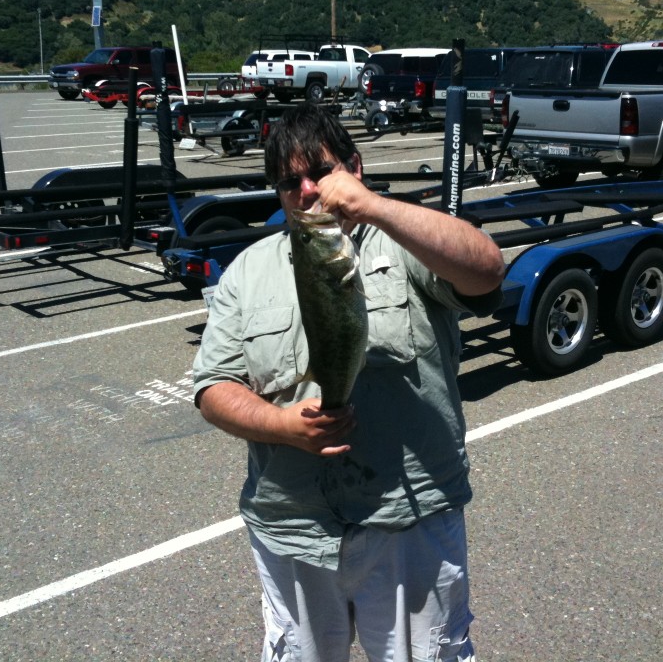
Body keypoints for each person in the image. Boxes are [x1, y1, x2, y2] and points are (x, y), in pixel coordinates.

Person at [192, 104, 506, 662]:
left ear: (355, 167)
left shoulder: (406, 242)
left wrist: (378, 209)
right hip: (292, 524)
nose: (308, 190)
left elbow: (486, 269)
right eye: (290, 181)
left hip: (409, 519)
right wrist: (281, 425)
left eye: (322, 171)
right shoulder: (247, 269)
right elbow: (214, 387)